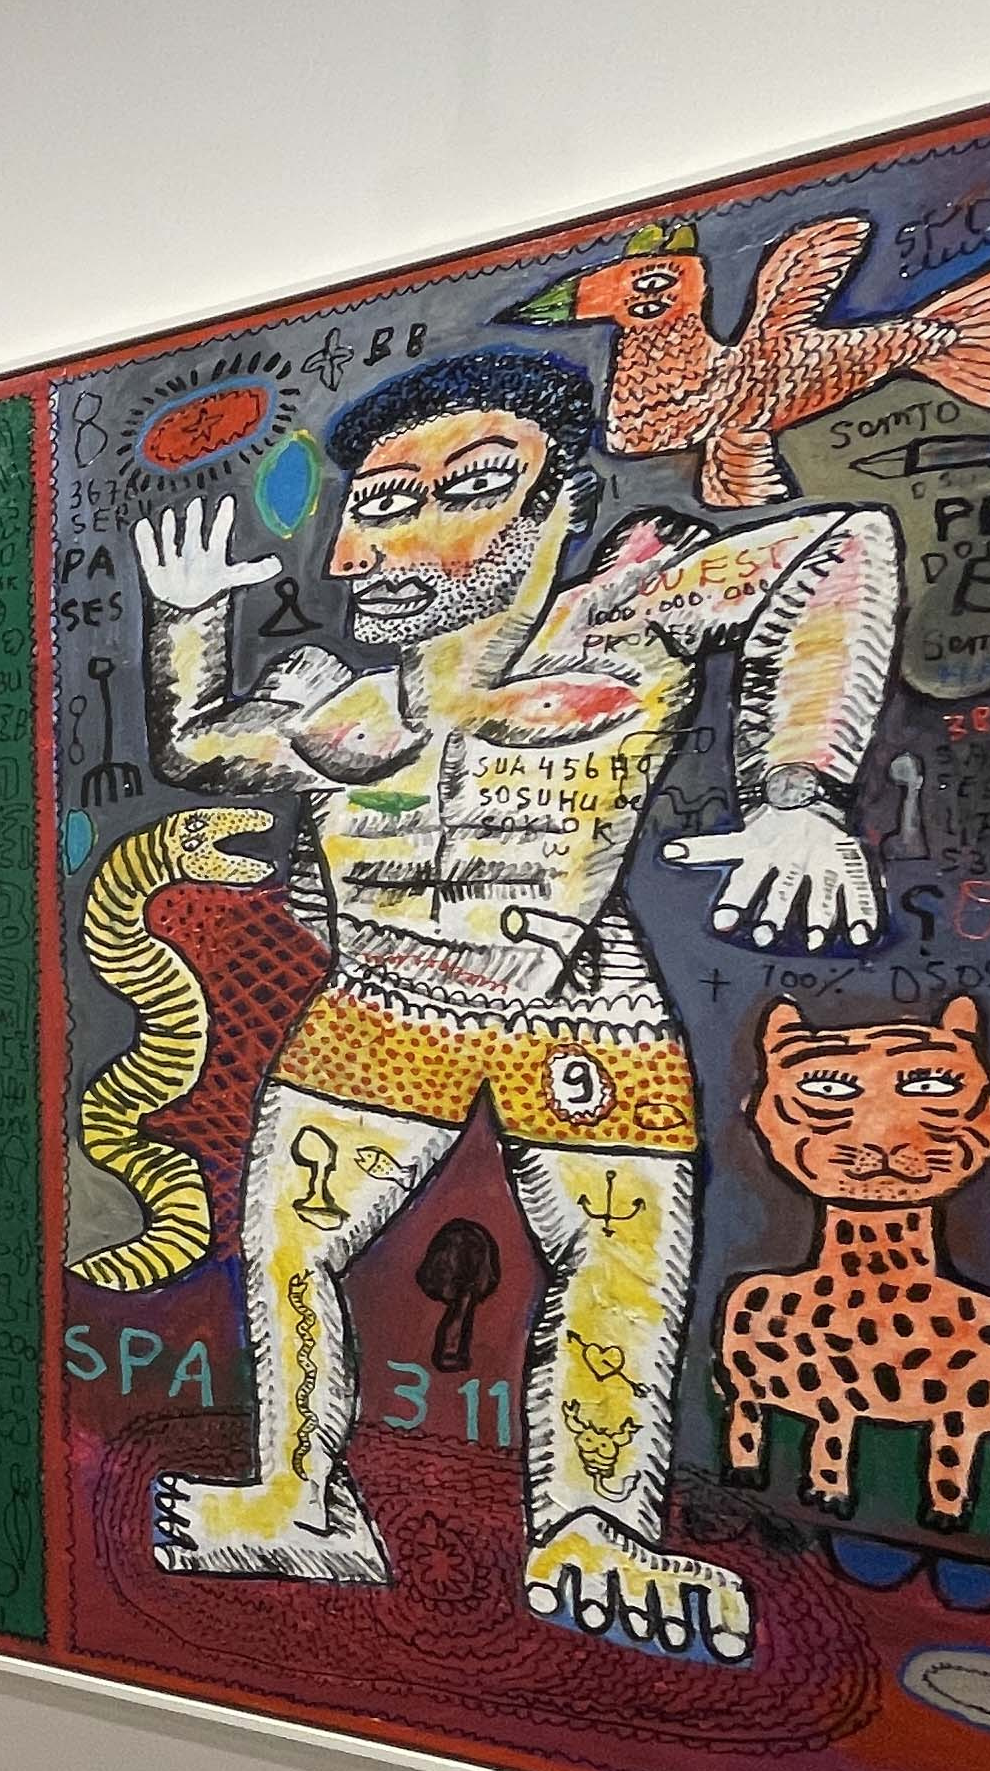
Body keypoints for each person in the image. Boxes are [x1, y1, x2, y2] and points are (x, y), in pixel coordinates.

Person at [132, 350, 897, 1660]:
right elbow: (199, 745)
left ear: (558, 510)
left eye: (471, 488)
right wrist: (189, 623)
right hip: (383, 1001)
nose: (401, 537)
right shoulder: (339, 700)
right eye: (380, 504)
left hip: (579, 1005)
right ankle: (296, 1498)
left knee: (616, 1267)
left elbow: (840, 551)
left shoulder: (626, 622)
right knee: (288, 1248)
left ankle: (598, 1528)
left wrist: (798, 794)